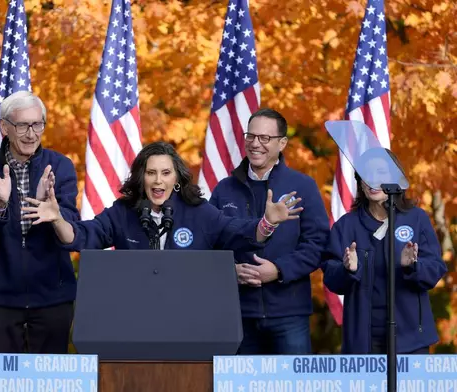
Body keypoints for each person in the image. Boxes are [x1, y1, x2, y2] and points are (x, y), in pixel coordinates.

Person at [23, 141, 302, 254]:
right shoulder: (123, 212)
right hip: (133, 319)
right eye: (151, 173)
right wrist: (58, 218)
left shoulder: (200, 213)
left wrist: (267, 222)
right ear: (140, 178)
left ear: (177, 178)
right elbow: (83, 236)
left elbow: (238, 232)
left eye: (166, 173)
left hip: (189, 320)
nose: (158, 180)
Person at [0, 91, 79, 354]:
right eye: (23, 125)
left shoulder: (60, 167)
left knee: (51, 381)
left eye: (38, 124)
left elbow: (72, 230)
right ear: (4, 127)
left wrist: (49, 211)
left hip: (52, 295)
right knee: (0, 382)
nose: (31, 134)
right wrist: (0, 205)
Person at [209, 108, 330, 355]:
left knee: (292, 385)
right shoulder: (224, 190)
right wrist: (230, 271)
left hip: (289, 313)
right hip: (238, 314)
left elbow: (317, 244)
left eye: (265, 138)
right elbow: (210, 244)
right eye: (250, 136)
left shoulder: (302, 186)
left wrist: (278, 270)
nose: (255, 144)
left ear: (282, 143)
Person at [322, 148, 447, 354]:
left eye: (380, 173)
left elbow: (435, 269)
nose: (373, 180)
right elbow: (330, 278)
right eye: (366, 174)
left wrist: (413, 266)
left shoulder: (416, 219)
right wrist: (348, 270)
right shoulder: (347, 226)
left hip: (411, 339)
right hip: (364, 340)